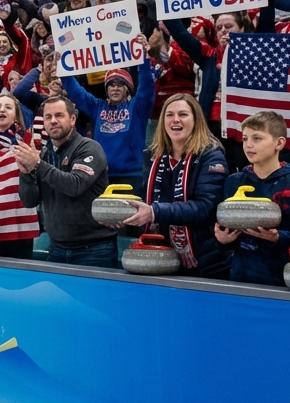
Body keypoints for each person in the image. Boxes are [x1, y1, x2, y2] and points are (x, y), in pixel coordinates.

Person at [114, 94, 229, 277]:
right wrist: (118, 215)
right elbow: (145, 199)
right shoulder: (152, 155)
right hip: (159, 257)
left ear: (195, 120)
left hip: (202, 261)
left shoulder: (211, 156)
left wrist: (154, 212)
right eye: (169, 114)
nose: (175, 119)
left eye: (183, 114)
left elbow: (205, 207)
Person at [215, 111, 290, 286]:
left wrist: (278, 237)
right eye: (245, 138)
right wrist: (222, 240)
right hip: (240, 275)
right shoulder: (234, 181)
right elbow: (224, 227)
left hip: (280, 279)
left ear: (279, 143)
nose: (248, 145)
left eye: (257, 138)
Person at [15, 96, 115, 267]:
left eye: (59, 115)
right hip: (57, 248)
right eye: (48, 117)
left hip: (94, 249)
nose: (53, 121)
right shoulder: (45, 154)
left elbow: (74, 185)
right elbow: (29, 201)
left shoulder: (89, 147)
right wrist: (26, 173)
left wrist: (37, 164)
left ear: (73, 118)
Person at [61, 51, 156, 193]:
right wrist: (63, 69)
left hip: (132, 176)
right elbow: (76, 93)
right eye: (111, 85)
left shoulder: (137, 108)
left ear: (127, 89)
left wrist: (143, 60)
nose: (115, 88)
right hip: (101, 174)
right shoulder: (97, 107)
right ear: (106, 89)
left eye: (120, 85)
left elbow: (146, 88)